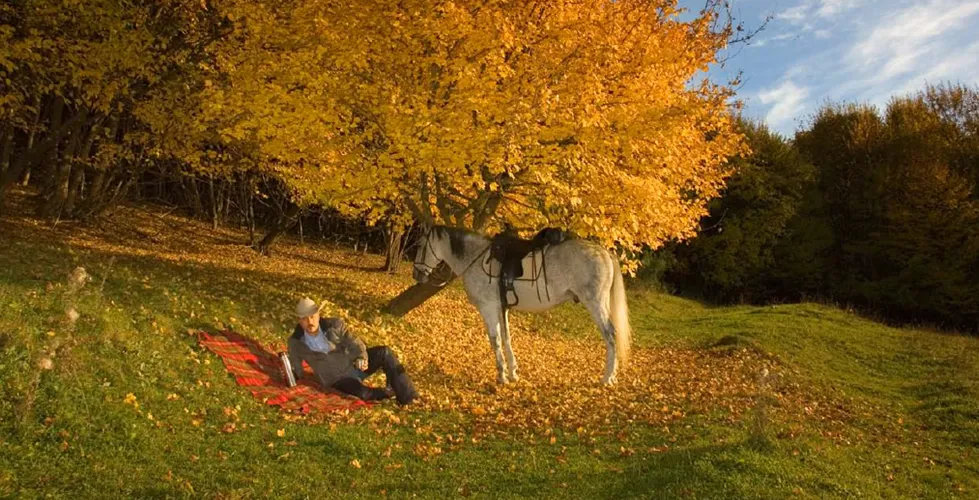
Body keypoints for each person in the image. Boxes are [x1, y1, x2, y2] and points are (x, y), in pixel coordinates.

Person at [286, 297, 418, 406]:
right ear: (299, 320)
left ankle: (409, 398)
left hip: (354, 365)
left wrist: (362, 357)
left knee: (384, 352)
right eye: (304, 319)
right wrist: (293, 372)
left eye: (312, 316)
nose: (310, 322)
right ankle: (387, 392)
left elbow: (355, 342)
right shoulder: (295, 342)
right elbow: (296, 368)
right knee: (363, 394)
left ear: (318, 315)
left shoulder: (334, 325)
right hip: (338, 380)